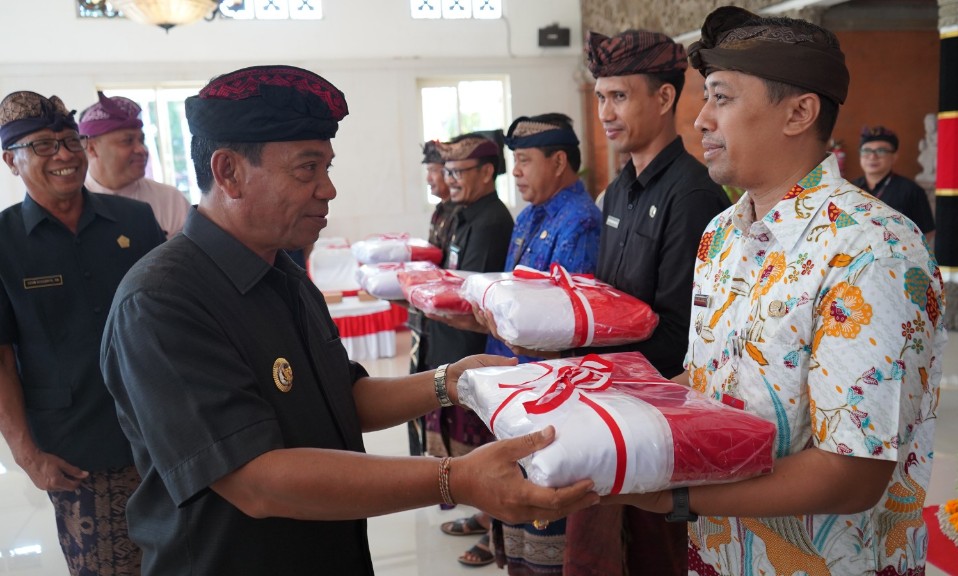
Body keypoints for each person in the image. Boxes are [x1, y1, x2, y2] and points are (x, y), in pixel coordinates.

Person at [99, 65, 595, 576]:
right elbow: (256, 480)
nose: (328, 189)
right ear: (228, 172)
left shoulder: (283, 273)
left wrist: (454, 381)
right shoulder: (163, 300)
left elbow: (343, 398)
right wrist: (455, 478)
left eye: (327, 167)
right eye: (307, 169)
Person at [611, 8, 946, 575]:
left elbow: (852, 475)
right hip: (718, 554)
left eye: (721, 98)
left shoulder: (873, 248)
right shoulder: (721, 235)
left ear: (799, 113)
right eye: (705, 99)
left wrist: (675, 498)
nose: (701, 120)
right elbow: (706, 380)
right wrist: (613, 414)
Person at [550, 30, 732, 576]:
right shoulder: (620, 188)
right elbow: (606, 303)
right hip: (607, 404)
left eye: (619, 96)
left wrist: (591, 375)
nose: (605, 113)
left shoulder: (692, 193)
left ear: (665, 97)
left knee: (655, 556)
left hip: (656, 418)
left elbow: (681, 333)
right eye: (600, 97)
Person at [0, 90, 166, 575]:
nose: (64, 155)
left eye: (71, 141)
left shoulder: (135, 222)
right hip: (77, 451)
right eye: (43, 145)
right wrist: (28, 456)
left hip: (162, 432)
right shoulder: (5, 243)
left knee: (187, 558)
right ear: (11, 160)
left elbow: (172, 320)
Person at [435, 113, 603, 571]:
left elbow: (565, 324)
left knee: (542, 501)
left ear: (559, 161)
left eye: (525, 161)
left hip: (549, 386)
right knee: (511, 491)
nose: (518, 173)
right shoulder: (528, 216)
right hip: (514, 376)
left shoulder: (581, 221)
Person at [421, 131, 514, 566]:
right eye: (449, 171)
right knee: (466, 446)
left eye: (460, 171)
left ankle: (494, 524)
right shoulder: (462, 213)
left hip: (473, 347)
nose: (451, 179)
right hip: (450, 340)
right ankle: (484, 514)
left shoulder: (492, 220)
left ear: (487, 172)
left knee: (483, 447)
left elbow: (469, 294)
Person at [406, 140, 462, 456]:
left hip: (447, 323)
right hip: (427, 320)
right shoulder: (441, 211)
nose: (429, 179)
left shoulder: (461, 214)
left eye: (434, 171)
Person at [79, 92, 190, 238]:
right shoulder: (73, 204)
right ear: (92, 148)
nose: (141, 150)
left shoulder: (170, 200)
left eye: (141, 140)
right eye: (127, 141)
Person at [852, 125, 936, 242]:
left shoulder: (912, 191)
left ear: (894, 156)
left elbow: (927, 233)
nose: (872, 156)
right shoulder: (850, 189)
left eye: (881, 151)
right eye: (866, 150)